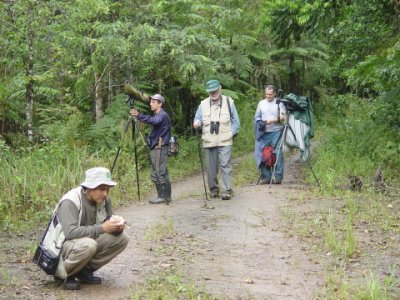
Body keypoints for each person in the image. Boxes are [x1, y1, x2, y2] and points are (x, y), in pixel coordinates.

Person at [54, 167, 129, 290]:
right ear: (89, 187)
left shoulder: (103, 200)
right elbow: (70, 233)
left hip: (85, 241)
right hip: (63, 246)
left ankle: (83, 271)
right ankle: (65, 274)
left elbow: (108, 222)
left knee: (122, 238)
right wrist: (102, 228)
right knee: (89, 245)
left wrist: (117, 227)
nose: (105, 194)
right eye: (101, 189)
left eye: (107, 189)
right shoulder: (70, 201)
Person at [193, 79, 240, 200]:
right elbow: (197, 119)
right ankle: (214, 190)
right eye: (211, 91)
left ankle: (227, 190)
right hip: (209, 141)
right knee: (210, 168)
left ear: (220, 89)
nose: (213, 93)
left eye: (215, 91)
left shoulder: (229, 102)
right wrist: (196, 123)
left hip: (225, 140)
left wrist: (231, 133)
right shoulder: (202, 104)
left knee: (225, 165)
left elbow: (236, 122)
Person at [130, 94, 172, 204]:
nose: (150, 104)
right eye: (151, 102)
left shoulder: (162, 115)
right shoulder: (158, 115)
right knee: (160, 171)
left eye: (153, 102)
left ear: (160, 104)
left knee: (158, 172)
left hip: (159, 147)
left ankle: (163, 197)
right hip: (157, 146)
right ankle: (165, 196)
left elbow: (154, 121)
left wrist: (139, 115)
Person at [254, 85, 286, 184]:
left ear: (274, 94)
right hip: (264, 132)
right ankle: (266, 177)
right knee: (263, 153)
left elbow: (283, 117)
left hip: (276, 131)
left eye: (271, 94)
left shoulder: (279, 103)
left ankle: (278, 177)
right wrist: (261, 122)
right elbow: (256, 117)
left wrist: (273, 120)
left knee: (278, 153)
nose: (268, 96)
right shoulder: (261, 103)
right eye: (267, 94)